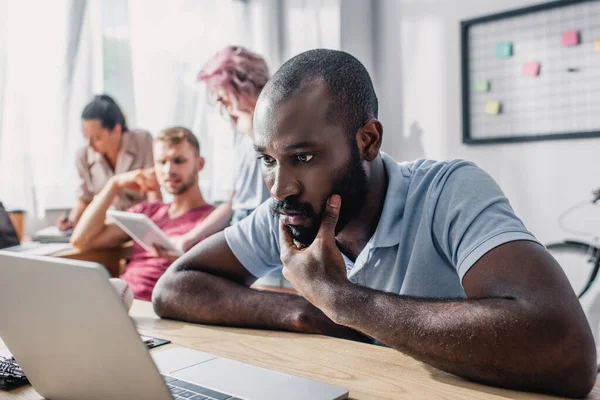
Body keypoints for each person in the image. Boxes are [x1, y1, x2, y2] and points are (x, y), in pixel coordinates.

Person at [153, 49, 597, 397]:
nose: (279, 187)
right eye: (268, 160)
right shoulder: (294, 209)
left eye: (303, 157)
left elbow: (568, 352)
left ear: (367, 140)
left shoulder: (448, 191)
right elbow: (176, 287)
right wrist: (307, 312)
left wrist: (342, 300)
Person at [71, 127, 215, 301]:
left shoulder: (213, 220)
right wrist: (114, 184)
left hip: (161, 310)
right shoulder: (147, 212)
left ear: (199, 164)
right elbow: (81, 240)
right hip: (117, 299)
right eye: (161, 162)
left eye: (179, 161)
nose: (169, 170)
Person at [170, 46, 271, 252]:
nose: (217, 99)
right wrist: (190, 238)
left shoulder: (271, 124)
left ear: (243, 85)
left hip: (264, 232)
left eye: (220, 91)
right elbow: (234, 203)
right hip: (242, 226)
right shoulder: (241, 131)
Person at [58, 94, 158, 231]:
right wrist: (71, 220)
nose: (90, 144)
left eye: (96, 138)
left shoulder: (142, 141)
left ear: (117, 129)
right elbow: (85, 199)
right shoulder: (83, 155)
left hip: (141, 220)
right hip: (110, 223)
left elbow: (154, 190)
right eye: (86, 137)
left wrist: (156, 224)